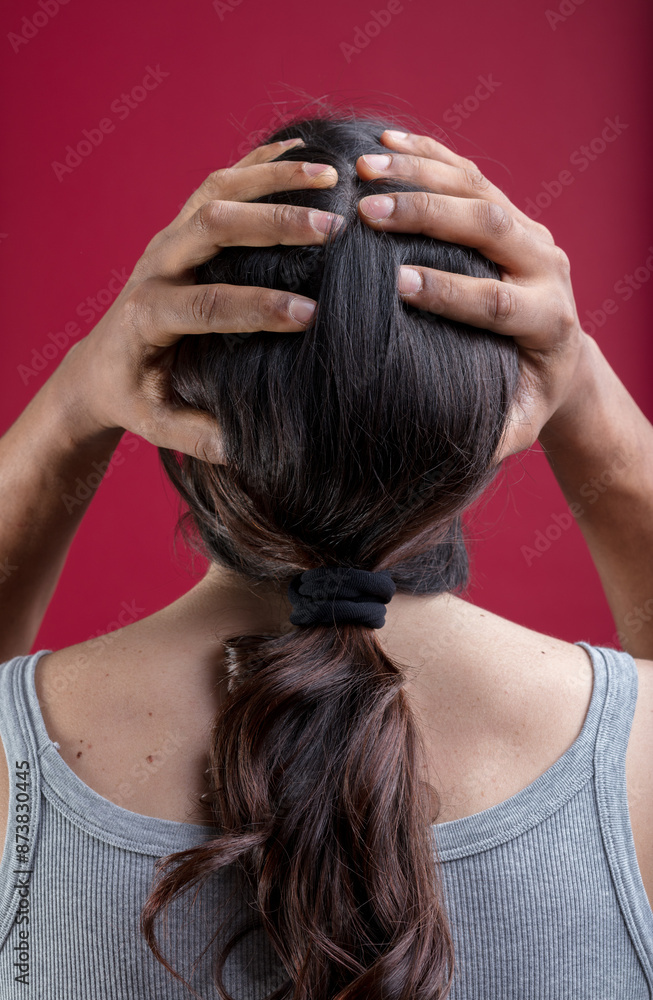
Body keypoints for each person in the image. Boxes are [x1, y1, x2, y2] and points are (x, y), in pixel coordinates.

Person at [0, 113, 651, 1000]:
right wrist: (585, 395)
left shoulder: (20, 763)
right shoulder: (634, 757)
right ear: (490, 413)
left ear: (172, 394)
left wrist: (74, 401)